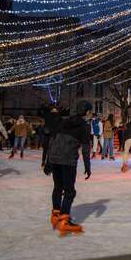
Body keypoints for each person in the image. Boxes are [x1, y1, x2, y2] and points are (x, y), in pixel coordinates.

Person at [44, 100, 92, 236]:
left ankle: (55, 213)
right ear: (87, 112)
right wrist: (88, 167)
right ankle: (64, 219)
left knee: (58, 187)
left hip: (54, 157)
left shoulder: (64, 121)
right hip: (68, 159)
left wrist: (48, 161)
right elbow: (86, 149)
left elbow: (53, 139)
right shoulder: (84, 126)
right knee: (70, 191)